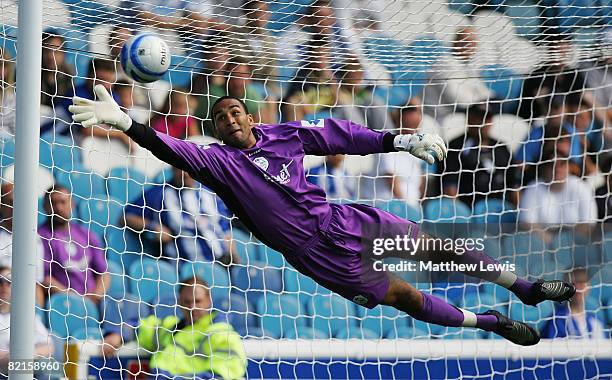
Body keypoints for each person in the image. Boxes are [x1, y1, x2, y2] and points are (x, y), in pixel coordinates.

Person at [68, 84, 580, 346]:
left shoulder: (284, 136)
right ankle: (491, 322)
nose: (229, 119)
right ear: (218, 131)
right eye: (220, 117)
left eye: (234, 111)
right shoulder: (220, 164)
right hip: (318, 256)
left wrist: (398, 138)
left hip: (345, 222)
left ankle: (526, 286)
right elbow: (168, 148)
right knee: (403, 296)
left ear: (249, 115)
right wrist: (126, 123)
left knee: (434, 246)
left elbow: (338, 135)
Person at [103, 276, 247, 379]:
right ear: (179, 302)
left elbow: (226, 373)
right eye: (187, 302)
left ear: (209, 300)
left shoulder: (222, 333)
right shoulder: (171, 327)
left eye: (198, 301)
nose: (192, 307)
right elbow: (140, 326)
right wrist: (119, 334)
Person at [124, 166, 237, 265]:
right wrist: (153, 227)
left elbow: (225, 228)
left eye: (189, 170)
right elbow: (126, 217)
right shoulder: (159, 194)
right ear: (173, 169)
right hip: (186, 265)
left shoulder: (209, 193)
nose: (186, 174)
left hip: (222, 263)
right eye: (180, 169)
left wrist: (233, 254)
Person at [39, 185, 109, 305]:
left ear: (72, 204)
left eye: (63, 202)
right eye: (53, 203)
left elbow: (103, 273)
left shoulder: (87, 235)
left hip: (92, 302)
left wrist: (95, 295)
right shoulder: (40, 237)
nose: (58, 207)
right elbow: (44, 278)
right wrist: (75, 298)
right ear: (45, 207)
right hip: (63, 304)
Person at [438, 103, 518, 207]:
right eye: (480, 118)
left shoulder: (501, 148)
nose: (484, 123)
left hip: (500, 211)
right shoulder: (455, 148)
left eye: (487, 118)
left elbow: (514, 186)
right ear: (469, 120)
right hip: (468, 210)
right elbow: (450, 189)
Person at [359, 98, 425, 207]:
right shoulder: (387, 141)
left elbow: (420, 184)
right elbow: (391, 180)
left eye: (415, 126)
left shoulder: (416, 149)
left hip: (411, 209)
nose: (412, 130)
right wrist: (406, 210)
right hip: (386, 208)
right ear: (400, 119)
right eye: (409, 125)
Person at [425, 26, 493, 120]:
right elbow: (458, 100)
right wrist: (481, 102)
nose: (470, 46)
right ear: (455, 42)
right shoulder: (443, 64)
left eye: (473, 43)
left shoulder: (468, 66)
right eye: (466, 42)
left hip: (463, 112)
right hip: (442, 117)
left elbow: (483, 91)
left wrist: (489, 100)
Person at [0, 266, 54, 377]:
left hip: (28, 367)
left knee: (43, 368)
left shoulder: (27, 316)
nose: (4, 286)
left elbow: (49, 345)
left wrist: (27, 356)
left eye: (9, 282)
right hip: (3, 370)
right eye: (0, 281)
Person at [0, 183, 45, 305]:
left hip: (24, 299)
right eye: (11, 202)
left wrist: (37, 315)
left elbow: (36, 283)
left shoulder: (34, 239)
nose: (16, 207)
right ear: (1, 205)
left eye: (20, 202)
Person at [541, 269, 606, 339]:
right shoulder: (557, 320)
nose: (578, 289)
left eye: (582, 283)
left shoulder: (595, 321)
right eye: (573, 284)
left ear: (588, 287)